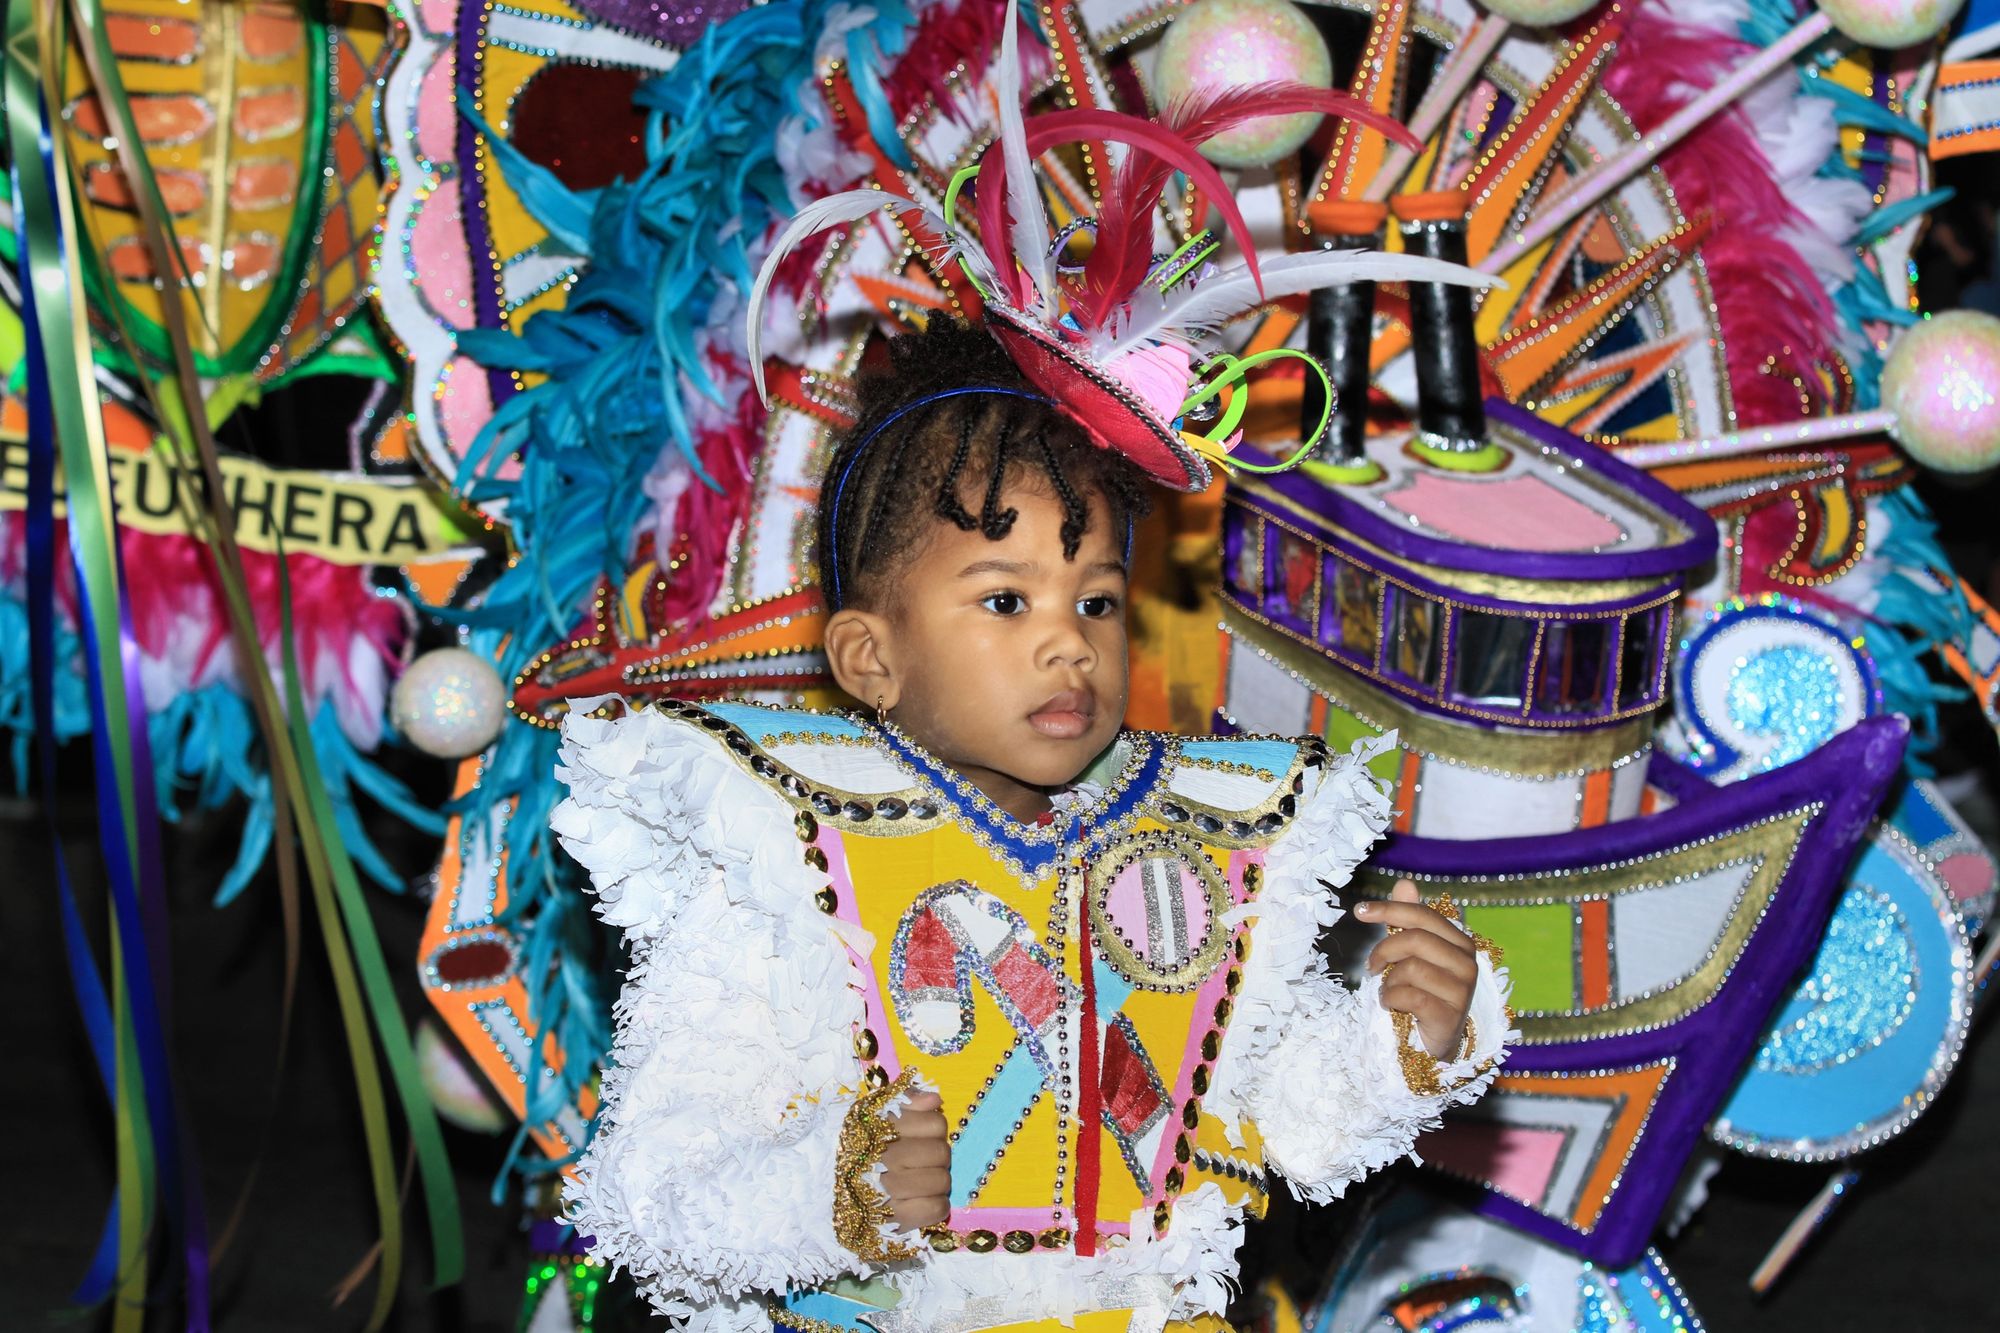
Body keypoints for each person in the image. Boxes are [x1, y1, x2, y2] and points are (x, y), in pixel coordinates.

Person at [550, 320, 1513, 1333]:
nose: (1067, 642)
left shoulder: (1197, 838)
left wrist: (1406, 1035)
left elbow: (1291, 1118)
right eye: (1006, 599)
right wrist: (832, 1185)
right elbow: (648, 1195)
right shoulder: (784, 861)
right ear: (869, 656)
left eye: (1094, 599)